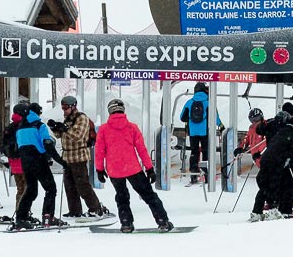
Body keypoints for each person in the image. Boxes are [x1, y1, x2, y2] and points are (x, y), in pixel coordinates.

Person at [95, 99, 173, 233]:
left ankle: (126, 223)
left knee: (121, 197)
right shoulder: (132, 127)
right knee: (149, 195)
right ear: (123, 110)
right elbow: (141, 149)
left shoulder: (103, 129)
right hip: (132, 168)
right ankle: (162, 221)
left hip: (114, 170)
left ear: (110, 111)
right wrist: (149, 168)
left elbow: (99, 151)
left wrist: (99, 169)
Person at [48, 96, 109, 218]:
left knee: (82, 185)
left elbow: (78, 136)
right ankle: (74, 210)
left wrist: (65, 129)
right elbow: (61, 136)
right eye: (63, 108)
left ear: (73, 106)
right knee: (69, 186)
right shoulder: (67, 119)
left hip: (79, 156)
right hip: (67, 157)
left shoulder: (81, 118)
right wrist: (55, 128)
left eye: (66, 108)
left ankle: (95, 208)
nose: (64, 111)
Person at [12, 104, 68, 229]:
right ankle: (48, 216)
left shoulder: (20, 128)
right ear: (38, 113)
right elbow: (47, 144)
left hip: (25, 162)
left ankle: (21, 217)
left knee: (31, 190)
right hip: (38, 160)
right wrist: (60, 160)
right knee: (50, 188)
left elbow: (17, 147)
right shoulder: (39, 125)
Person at [249, 111, 293, 222]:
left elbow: (259, 130)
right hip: (277, 162)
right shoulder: (288, 130)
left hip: (266, 159)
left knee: (264, 187)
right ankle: (274, 211)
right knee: (275, 186)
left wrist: (266, 123)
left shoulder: (272, 126)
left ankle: (256, 212)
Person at [179, 82, 222, 184]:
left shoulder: (189, 102)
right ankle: (207, 174)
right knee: (205, 151)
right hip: (205, 132)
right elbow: (215, 117)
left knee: (194, 152)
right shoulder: (208, 102)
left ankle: (194, 174)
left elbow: (182, 117)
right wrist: (221, 125)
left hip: (193, 132)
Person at [3, 103, 28, 209]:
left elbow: (4, 145)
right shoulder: (24, 125)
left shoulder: (10, 126)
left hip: (14, 163)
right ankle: (23, 211)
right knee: (27, 189)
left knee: (20, 188)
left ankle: (18, 209)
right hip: (24, 161)